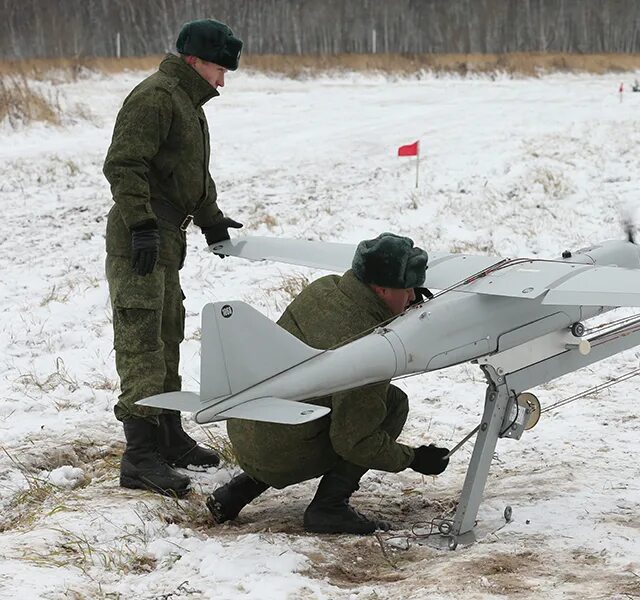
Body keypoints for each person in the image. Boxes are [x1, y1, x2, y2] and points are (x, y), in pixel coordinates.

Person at [206, 233, 451, 534]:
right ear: (382, 289)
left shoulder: (323, 290)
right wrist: (412, 459)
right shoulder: (369, 343)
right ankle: (329, 508)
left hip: (247, 428)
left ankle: (238, 491)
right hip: (281, 450)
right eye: (407, 289)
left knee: (308, 401)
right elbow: (355, 442)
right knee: (393, 404)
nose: (413, 297)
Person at [103, 19, 244, 497]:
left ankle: (168, 436)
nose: (223, 80)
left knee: (166, 335)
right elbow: (124, 164)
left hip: (167, 236)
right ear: (194, 61)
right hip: (141, 236)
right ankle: (140, 457)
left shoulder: (186, 102)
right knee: (141, 340)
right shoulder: (157, 97)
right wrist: (141, 225)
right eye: (219, 68)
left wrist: (211, 219)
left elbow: (187, 177)